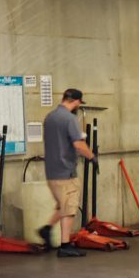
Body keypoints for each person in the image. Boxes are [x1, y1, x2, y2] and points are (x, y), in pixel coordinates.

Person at [39, 88, 96, 257]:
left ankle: (47, 229)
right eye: (79, 103)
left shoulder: (50, 117)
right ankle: (65, 245)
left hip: (51, 171)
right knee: (70, 208)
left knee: (62, 205)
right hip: (66, 172)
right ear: (76, 101)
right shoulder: (69, 119)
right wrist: (92, 157)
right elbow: (78, 144)